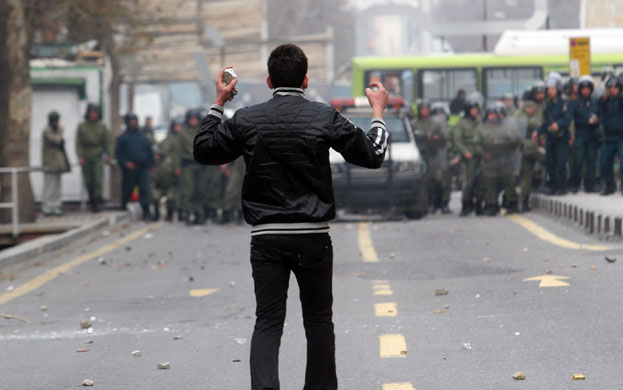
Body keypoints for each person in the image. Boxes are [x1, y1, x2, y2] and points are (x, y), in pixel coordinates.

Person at [193, 44, 389, 390]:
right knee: (318, 322)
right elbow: (373, 155)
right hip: (313, 237)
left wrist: (219, 101)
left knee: (268, 321)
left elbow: (203, 149)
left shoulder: (247, 118)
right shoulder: (323, 116)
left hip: (266, 238)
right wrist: (377, 113)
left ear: (269, 81)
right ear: (306, 80)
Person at [412, 102, 450, 214]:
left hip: (433, 154)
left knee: (437, 179)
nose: (425, 111)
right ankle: (429, 203)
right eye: (423, 109)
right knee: (424, 181)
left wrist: (435, 137)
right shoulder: (414, 123)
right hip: (420, 154)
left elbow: (443, 137)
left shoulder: (435, 123)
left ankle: (440, 203)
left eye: (427, 109)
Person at [115, 113, 155, 220]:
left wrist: (152, 164)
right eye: (131, 121)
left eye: (134, 121)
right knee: (127, 189)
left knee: (144, 189)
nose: (133, 123)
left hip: (142, 167)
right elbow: (118, 154)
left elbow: (149, 151)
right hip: (129, 168)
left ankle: (146, 212)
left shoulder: (142, 136)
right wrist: (126, 163)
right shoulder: (123, 138)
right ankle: (124, 207)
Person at [538, 73, 571, 195]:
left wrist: (559, 124)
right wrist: (538, 132)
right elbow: (545, 122)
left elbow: (567, 118)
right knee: (549, 161)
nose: (551, 91)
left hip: (561, 137)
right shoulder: (547, 104)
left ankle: (562, 186)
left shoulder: (563, 102)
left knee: (561, 162)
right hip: (550, 137)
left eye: (553, 89)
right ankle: (553, 185)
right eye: (549, 89)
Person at [568, 76, 600, 193]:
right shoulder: (575, 104)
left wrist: (596, 121)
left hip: (592, 135)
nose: (586, 91)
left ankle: (590, 184)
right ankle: (575, 183)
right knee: (577, 160)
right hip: (579, 134)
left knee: (591, 160)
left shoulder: (595, 102)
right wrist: (586, 121)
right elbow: (572, 119)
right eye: (583, 88)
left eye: (588, 88)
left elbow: (599, 116)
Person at [76, 103, 111, 212]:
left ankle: (97, 200)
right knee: (89, 180)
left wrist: (109, 155)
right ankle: (91, 199)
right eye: (91, 113)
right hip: (86, 154)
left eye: (95, 113)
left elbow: (107, 142)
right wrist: (80, 156)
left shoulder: (102, 126)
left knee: (97, 178)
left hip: (97, 153)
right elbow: (78, 143)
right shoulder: (82, 126)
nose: (93, 115)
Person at [453, 97, 482, 216]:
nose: (475, 112)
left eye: (476, 109)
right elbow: (458, 140)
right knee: (468, 182)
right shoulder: (462, 123)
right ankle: (466, 204)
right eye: (472, 109)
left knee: (481, 181)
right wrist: (465, 152)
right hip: (469, 156)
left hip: (480, 154)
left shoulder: (480, 122)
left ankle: (479, 204)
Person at [41, 111, 70, 216]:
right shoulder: (47, 131)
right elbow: (56, 140)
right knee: (50, 186)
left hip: (57, 164)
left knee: (57, 187)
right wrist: (61, 131)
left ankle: (56, 206)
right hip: (49, 163)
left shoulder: (56, 130)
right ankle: (47, 207)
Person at [516, 100, 544, 211]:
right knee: (548, 160)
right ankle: (524, 201)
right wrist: (541, 126)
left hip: (527, 149)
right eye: (533, 109)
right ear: (528, 107)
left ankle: (525, 202)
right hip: (526, 148)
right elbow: (527, 124)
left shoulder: (524, 115)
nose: (534, 112)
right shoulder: (521, 116)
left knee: (527, 175)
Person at [598, 76, 623, 196]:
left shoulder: (621, 99)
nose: (612, 90)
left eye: (614, 87)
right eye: (609, 87)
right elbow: (598, 109)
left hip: (621, 137)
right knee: (604, 162)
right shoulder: (604, 101)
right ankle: (609, 185)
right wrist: (604, 98)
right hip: (608, 137)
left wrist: (617, 95)